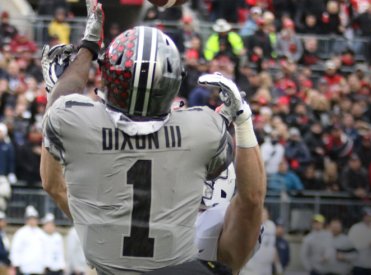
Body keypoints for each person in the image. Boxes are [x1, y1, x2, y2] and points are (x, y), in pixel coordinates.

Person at [40, 1, 265, 273]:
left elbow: (55, 182)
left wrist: (89, 45)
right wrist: (242, 120)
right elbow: (251, 199)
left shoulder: (77, 121)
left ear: (109, 79)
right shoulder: (203, 129)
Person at [10, 205, 46, 275]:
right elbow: (15, 250)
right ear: (27, 220)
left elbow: (45, 250)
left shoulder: (41, 233)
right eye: (31, 219)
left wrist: (45, 264)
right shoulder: (21, 233)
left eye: (34, 219)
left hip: (38, 268)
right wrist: (16, 264)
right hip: (24, 268)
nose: (33, 221)